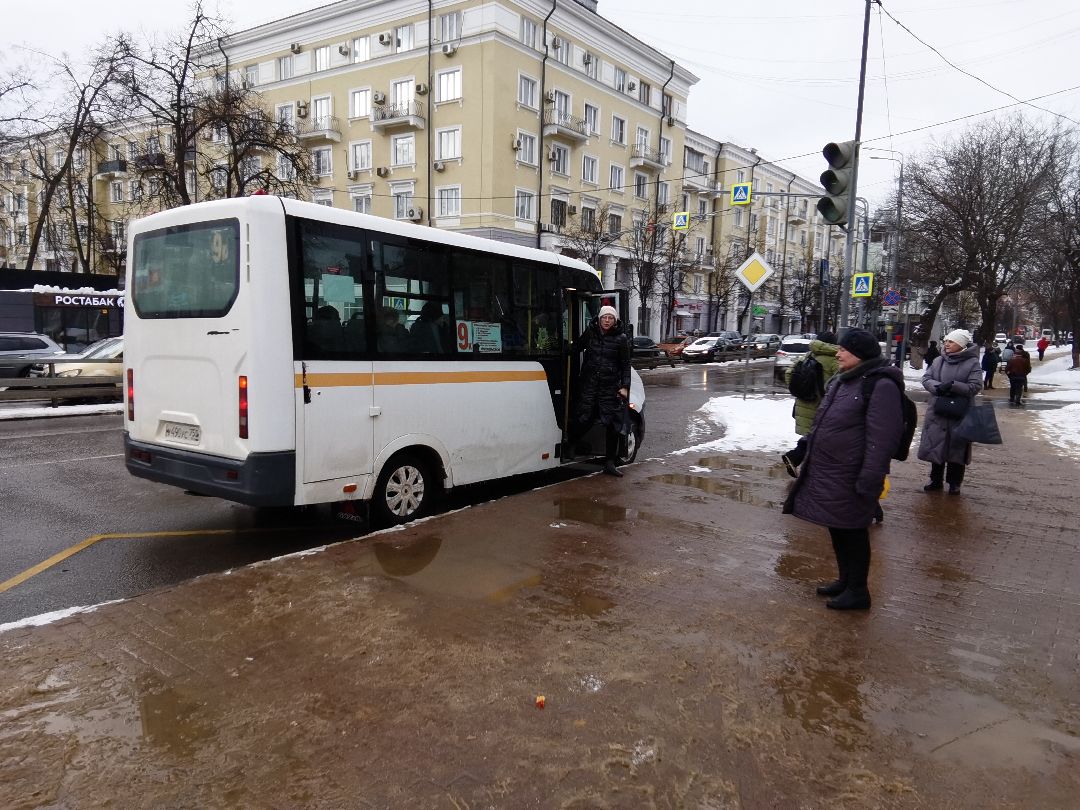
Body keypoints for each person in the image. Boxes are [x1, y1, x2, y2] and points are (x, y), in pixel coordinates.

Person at [782, 329, 904, 611]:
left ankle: (859, 590)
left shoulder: (880, 385)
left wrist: (871, 477)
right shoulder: (843, 380)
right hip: (832, 470)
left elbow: (882, 438)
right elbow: (824, 423)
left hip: (853, 472)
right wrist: (803, 451)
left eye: (844, 350)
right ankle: (846, 580)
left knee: (854, 531)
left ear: (859, 355)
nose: (838, 353)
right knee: (838, 527)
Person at [918, 329, 983, 494]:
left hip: (960, 412)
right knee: (936, 446)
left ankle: (955, 483)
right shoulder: (939, 360)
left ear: (961, 344)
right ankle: (935, 480)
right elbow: (926, 378)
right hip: (938, 410)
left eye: (951, 342)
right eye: (946, 341)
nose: (946, 344)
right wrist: (938, 387)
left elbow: (975, 386)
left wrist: (954, 385)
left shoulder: (972, 363)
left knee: (957, 449)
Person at [571, 305, 631, 477]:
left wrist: (624, 387)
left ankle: (609, 463)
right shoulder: (591, 334)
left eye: (610, 318)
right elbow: (576, 348)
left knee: (611, 425)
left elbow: (625, 365)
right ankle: (571, 445)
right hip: (589, 385)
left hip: (609, 388)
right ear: (599, 319)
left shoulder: (621, 339)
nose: (606, 320)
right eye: (604, 317)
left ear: (615, 321)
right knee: (584, 418)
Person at [780, 331, 840, 474]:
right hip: (822, 405)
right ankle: (804, 463)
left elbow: (789, 373)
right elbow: (841, 384)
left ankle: (796, 459)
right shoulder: (834, 361)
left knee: (814, 435)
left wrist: (801, 391)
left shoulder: (808, 355)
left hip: (804, 403)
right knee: (823, 437)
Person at [1006, 339, 1032, 406]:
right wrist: (1024, 373)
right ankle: (1017, 400)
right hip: (1021, 376)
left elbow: (1007, 369)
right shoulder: (1025, 360)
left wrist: (1009, 374)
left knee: (1013, 387)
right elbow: (1028, 368)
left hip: (1013, 376)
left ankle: (1012, 398)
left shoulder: (1011, 360)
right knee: (1019, 388)